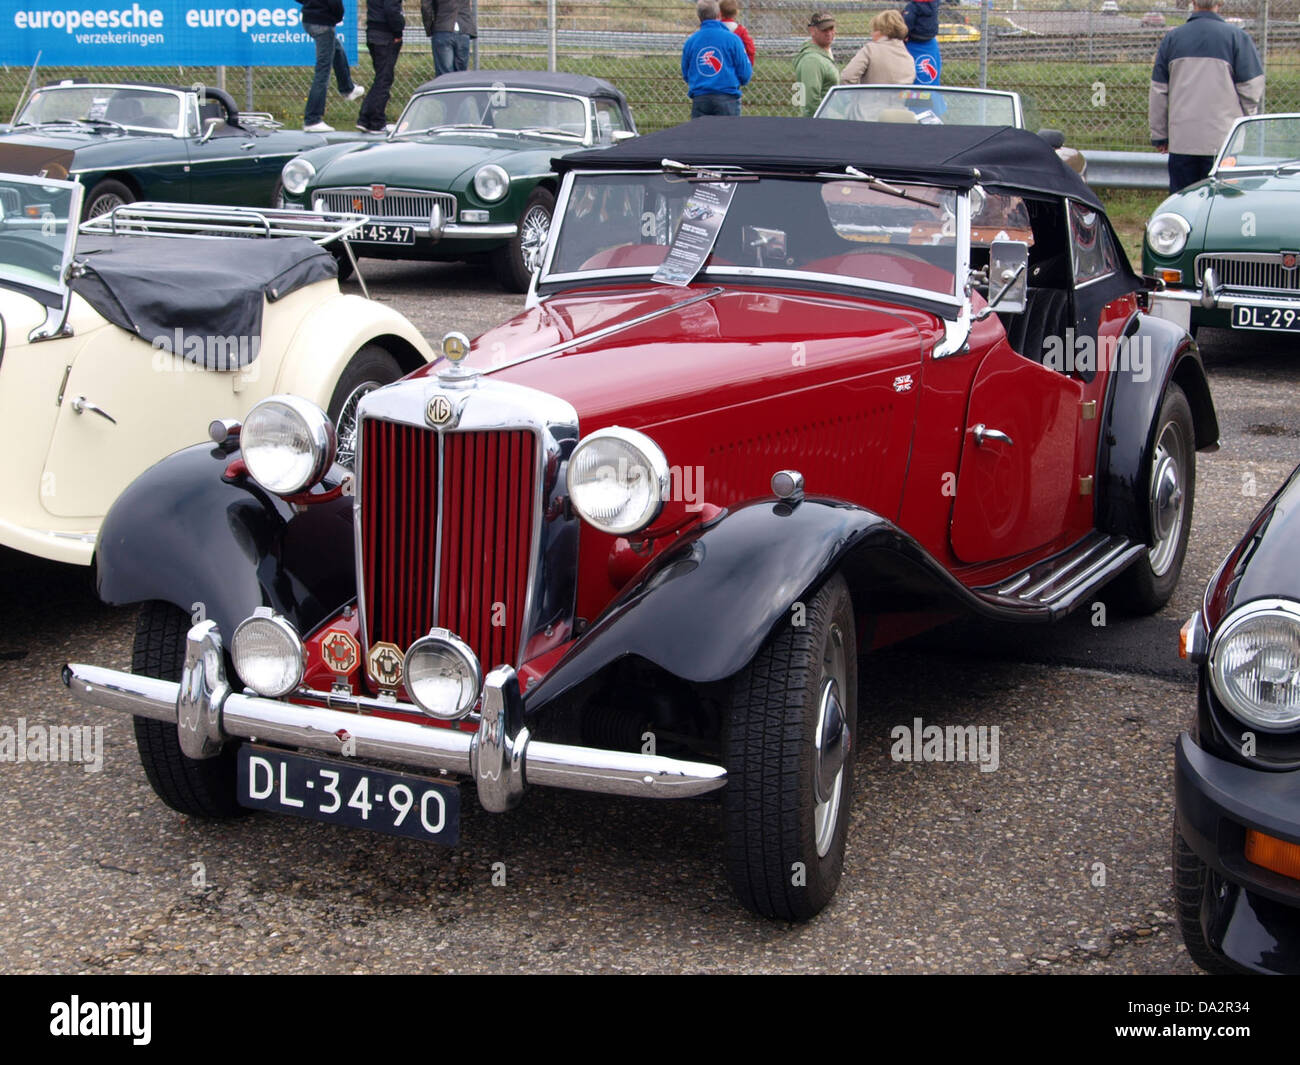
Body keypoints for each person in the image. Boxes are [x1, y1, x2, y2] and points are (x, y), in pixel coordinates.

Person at [1149, 0, 1264, 193]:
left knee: (1184, 204)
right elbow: (1252, 89)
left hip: (1183, 141)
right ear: (1220, 2)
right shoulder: (1237, 38)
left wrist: (1160, 135)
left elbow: (1158, 92)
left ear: (1192, 2)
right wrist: (1243, 122)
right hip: (1224, 142)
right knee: (1222, 205)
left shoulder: (1172, 39)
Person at [299, 0, 365, 132]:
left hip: (309, 20)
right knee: (323, 72)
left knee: (337, 48)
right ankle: (312, 119)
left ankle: (348, 88)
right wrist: (337, 16)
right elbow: (335, 4)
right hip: (323, 22)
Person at [681, 0, 753, 119]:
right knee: (727, 135)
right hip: (728, 98)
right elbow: (745, 73)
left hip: (700, 98)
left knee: (701, 136)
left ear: (699, 16)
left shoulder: (691, 41)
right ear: (719, 14)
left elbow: (686, 72)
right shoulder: (733, 40)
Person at [357, 0, 404, 133]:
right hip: (385, 35)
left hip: (373, 31)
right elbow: (391, 9)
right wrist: (398, 31)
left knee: (381, 78)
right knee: (384, 79)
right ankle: (376, 121)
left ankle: (366, 119)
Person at [841, 10, 915, 85]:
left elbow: (847, 77)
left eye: (875, 30)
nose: (871, 34)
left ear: (883, 31)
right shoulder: (909, 58)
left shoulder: (870, 50)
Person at [794, 12, 839, 117]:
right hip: (820, 123)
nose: (828, 33)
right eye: (824, 30)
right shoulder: (812, 60)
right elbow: (811, 103)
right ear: (812, 31)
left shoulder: (824, 55)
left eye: (831, 29)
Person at [422, 0, 475, 75]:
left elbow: (426, 7)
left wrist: (430, 29)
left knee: (444, 75)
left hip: (442, 27)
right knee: (461, 74)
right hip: (463, 27)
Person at [902, 0, 941, 85]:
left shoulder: (912, 6)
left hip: (913, 40)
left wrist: (905, 35)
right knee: (933, 68)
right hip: (930, 39)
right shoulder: (934, 3)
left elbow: (908, 21)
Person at [719, 0, 756, 66]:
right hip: (735, 66)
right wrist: (749, 65)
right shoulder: (741, 30)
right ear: (736, 13)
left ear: (719, 13)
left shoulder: (715, 29)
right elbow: (750, 49)